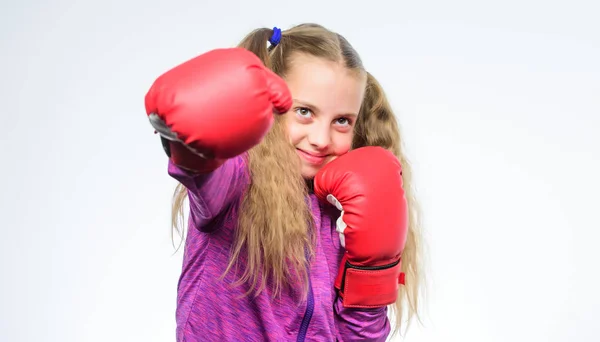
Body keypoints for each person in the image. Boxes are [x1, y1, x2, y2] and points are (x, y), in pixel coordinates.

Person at [144, 23, 424, 342]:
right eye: (304, 111)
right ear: (271, 106)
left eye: (342, 121)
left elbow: (359, 338)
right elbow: (202, 166)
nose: (321, 139)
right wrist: (187, 128)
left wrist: (374, 268)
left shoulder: (346, 215)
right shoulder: (235, 184)